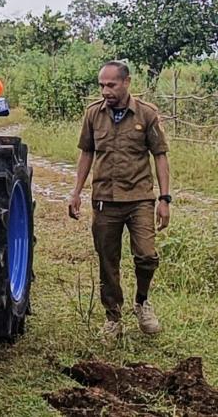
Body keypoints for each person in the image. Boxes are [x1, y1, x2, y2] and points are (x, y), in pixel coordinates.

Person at [68, 60, 171, 340]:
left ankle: (142, 302)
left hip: (139, 198)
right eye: (102, 85)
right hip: (104, 199)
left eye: (111, 84)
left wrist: (165, 198)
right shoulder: (93, 114)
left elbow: (160, 155)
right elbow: (86, 153)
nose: (105, 90)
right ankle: (113, 317)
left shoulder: (147, 114)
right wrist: (76, 191)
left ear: (126, 83)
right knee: (108, 261)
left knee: (147, 256)